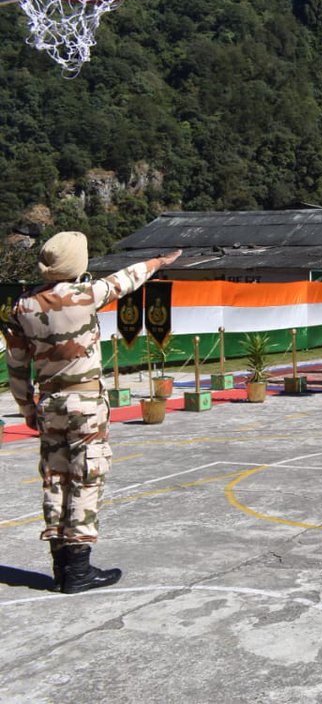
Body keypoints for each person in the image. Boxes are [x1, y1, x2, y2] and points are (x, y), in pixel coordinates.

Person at [3, 232, 180, 593]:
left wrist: (26, 408)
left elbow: (17, 365)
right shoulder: (85, 296)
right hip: (85, 406)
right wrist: (159, 262)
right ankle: (79, 571)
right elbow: (124, 279)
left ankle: (60, 569)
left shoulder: (23, 307)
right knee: (87, 476)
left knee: (56, 478)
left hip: (49, 405)